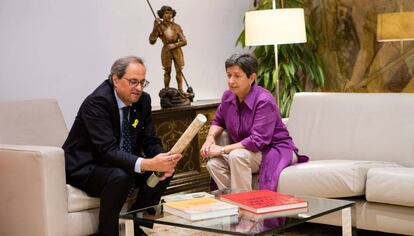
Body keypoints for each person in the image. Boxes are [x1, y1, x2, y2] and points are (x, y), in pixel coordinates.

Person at [63, 56, 182, 236]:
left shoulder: (143, 101)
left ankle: (136, 227)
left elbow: (150, 140)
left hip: (120, 162)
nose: (139, 88)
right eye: (133, 82)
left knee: (162, 174)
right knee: (120, 177)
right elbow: (108, 151)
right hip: (87, 166)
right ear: (115, 79)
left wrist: (163, 159)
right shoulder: (97, 103)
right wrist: (148, 163)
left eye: (143, 82)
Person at [200, 53, 308, 191]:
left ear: (252, 78)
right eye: (229, 75)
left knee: (237, 156)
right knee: (214, 164)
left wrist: (221, 150)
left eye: (237, 76)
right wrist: (210, 139)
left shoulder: (263, 100)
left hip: (274, 150)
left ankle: (246, 206)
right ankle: (234, 202)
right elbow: (218, 120)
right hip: (247, 152)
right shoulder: (228, 96)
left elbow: (257, 141)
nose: (231, 81)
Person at [149, 5, 187, 94]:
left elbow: (184, 41)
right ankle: (166, 89)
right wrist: (155, 27)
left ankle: (180, 89)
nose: (169, 15)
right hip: (166, 51)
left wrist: (175, 45)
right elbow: (152, 41)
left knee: (179, 70)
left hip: (177, 51)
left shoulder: (176, 27)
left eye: (170, 13)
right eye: (166, 13)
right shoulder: (159, 26)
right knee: (167, 71)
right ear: (162, 14)